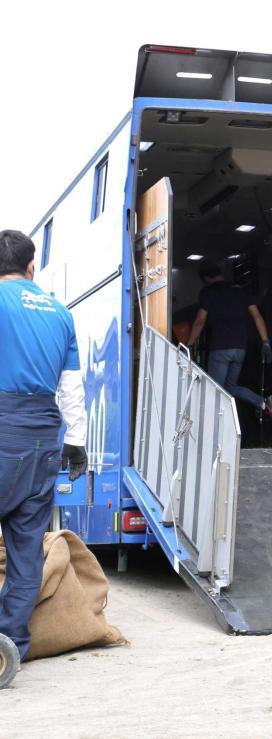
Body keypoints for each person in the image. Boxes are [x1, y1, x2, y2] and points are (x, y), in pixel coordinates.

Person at [0, 229, 88, 662]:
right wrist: (77, 442)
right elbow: (72, 386)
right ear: (31, 267)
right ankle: (10, 644)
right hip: (44, 438)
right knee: (25, 546)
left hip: (3, 426)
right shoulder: (60, 312)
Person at [187, 262, 272, 426]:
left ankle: (215, 430)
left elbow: (200, 321)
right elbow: (257, 316)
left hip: (220, 349)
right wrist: (265, 342)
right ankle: (263, 403)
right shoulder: (241, 290)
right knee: (230, 388)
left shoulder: (208, 292)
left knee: (214, 390)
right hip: (240, 349)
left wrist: (188, 345)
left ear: (206, 278)